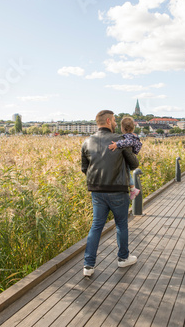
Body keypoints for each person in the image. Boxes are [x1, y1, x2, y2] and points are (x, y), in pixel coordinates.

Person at [81, 110, 139, 277]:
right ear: (108, 121)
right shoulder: (120, 140)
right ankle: (123, 258)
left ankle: (88, 266)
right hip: (117, 190)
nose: (115, 123)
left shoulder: (87, 142)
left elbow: (85, 168)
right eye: (114, 120)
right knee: (121, 224)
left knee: (96, 225)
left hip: (97, 192)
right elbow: (134, 164)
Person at [108, 116, 142, 200]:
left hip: (130, 155)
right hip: (132, 154)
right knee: (127, 171)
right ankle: (133, 189)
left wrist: (117, 144)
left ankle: (133, 189)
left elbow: (127, 143)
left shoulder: (128, 137)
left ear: (122, 128)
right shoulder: (133, 136)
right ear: (133, 127)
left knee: (126, 171)